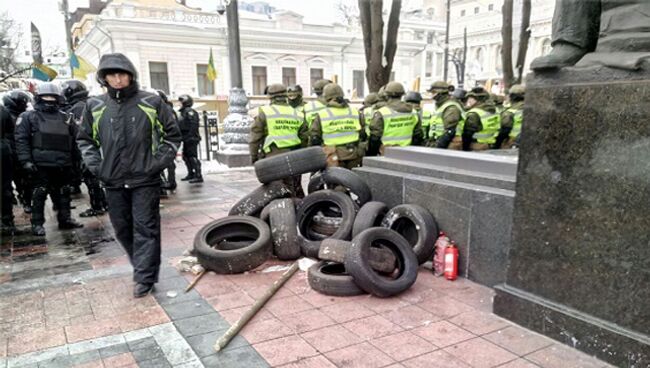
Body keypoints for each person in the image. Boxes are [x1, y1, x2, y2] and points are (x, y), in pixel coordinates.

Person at [77, 53, 181, 297]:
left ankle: (144, 277)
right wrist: (97, 167)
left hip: (145, 179)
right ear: (104, 78)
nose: (117, 79)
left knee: (145, 227)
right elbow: (85, 140)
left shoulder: (151, 102)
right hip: (112, 180)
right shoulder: (95, 106)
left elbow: (172, 135)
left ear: (131, 75)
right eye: (111, 74)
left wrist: (156, 164)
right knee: (122, 229)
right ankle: (143, 266)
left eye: (121, 73)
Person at [15, 82, 84, 236]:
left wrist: (77, 162)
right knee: (39, 193)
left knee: (64, 192)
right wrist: (26, 161)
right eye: (46, 96)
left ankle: (65, 219)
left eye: (52, 97)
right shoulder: (28, 117)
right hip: (40, 164)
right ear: (39, 98)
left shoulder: (66, 117)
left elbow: (75, 141)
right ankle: (37, 224)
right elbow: (21, 140)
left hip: (63, 163)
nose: (49, 99)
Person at [249, 83, 308, 197]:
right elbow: (304, 137)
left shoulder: (265, 112)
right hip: (295, 156)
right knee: (295, 187)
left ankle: (281, 213)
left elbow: (255, 137)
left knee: (276, 189)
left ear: (270, 97)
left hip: (273, 157)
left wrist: (254, 156)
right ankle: (300, 211)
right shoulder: (297, 113)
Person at [61, 80, 108, 217]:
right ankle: (104, 203)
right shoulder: (94, 102)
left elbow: (79, 131)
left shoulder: (77, 108)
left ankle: (97, 205)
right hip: (103, 146)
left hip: (89, 147)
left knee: (90, 177)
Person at [310, 83, 365, 169]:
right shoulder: (355, 112)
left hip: (333, 156)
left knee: (335, 181)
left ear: (326, 97)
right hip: (354, 155)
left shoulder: (322, 114)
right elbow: (363, 134)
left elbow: (315, 137)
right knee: (353, 181)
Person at [367, 82, 423, 156]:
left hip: (387, 153)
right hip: (407, 152)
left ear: (386, 95)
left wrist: (371, 155)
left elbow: (375, 138)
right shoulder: (413, 112)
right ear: (402, 95)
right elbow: (418, 136)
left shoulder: (382, 112)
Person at [2, 91, 33, 213]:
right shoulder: (8, 114)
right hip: (11, 152)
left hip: (16, 152)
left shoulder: (22, 116)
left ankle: (24, 200)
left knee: (23, 180)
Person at [426, 81, 465, 150]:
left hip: (450, 144)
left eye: (433, 93)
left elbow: (450, 131)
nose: (431, 95)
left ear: (440, 93)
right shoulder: (441, 105)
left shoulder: (451, 107)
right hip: (442, 143)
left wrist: (438, 146)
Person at [462, 86, 500, 151]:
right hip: (490, 144)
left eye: (471, 98)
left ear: (478, 99)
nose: (469, 101)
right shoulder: (495, 110)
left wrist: (464, 149)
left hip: (476, 146)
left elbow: (467, 134)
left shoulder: (474, 113)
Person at [156, 90, 178, 192]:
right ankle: (166, 183)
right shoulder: (162, 108)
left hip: (165, 140)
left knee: (168, 162)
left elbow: (171, 128)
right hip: (160, 140)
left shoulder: (166, 109)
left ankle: (171, 182)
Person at [178, 94, 203, 183]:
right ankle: (191, 173)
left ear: (185, 102)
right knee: (186, 156)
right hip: (186, 137)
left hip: (191, 138)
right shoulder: (183, 112)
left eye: (180, 102)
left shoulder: (190, 112)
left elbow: (193, 125)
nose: (179, 104)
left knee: (192, 156)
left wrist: (190, 136)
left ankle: (198, 175)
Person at [495, 84, 525, 149]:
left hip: (512, 142)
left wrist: (497, 144)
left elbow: (504, 131)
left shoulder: (510, 112)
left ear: (512, 96)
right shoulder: (530, 109)